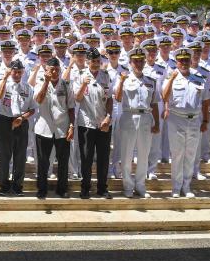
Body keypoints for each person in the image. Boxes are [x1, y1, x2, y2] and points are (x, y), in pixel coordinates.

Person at [161, 48, 210, 198]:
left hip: (195, 119)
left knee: (190, 154)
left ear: (191, 61)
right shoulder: (171, 77)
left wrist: (206, 120)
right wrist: (171, 79)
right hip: (177, 118)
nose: (184, 63)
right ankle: (176, 187)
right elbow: (164, 96)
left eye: (186, 60)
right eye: (181, 60)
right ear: (176, 62)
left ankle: (187, 186)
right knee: (177, 154)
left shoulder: (199, 78)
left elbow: (206, 100)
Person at [115, 47, 160, 198]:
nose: (139, 64)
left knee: (143, 154)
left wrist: (157, 123)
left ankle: (140, 185)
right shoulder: (124, 79)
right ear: (130, 62)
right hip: (129, 116)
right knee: (127, 155)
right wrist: (121, 82)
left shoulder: (151, 81)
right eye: (136, 61)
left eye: (141, 61)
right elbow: (118, 98)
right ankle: (128, 186)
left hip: (146, 118)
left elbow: (154, 104)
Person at [74, 47, 113, 199]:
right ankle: (85, 188)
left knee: (103, 158)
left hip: (103, 122)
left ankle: (102, 188)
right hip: (86, 123)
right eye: (93, 61)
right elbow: (77, 98)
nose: (96, 64)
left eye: (98, 61)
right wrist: (84, 84)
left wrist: (109, 117)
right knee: (86, 158)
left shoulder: (105, 76)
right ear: (87, 61)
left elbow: (109, 98)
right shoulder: (80, 75)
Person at [33, 57, 75, 199]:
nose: (55, 72)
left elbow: (71, 107)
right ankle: (42, 189)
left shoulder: (66, 85)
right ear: (46, 70)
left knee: (63, 162)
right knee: (43, 162)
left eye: (57, 69)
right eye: (52, 69)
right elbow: (39, 100)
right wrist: (46, 81)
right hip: (44, 128)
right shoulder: (40, 83)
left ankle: (62, 189)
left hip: (62, 128)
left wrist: (71, 126)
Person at [0, 59, 36, 196]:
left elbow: (33, 109)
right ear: (10, 71)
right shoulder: (4, 84)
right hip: (5, 122)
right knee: (4, 156)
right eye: (14, 72)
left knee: (20, 157)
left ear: (23, 72)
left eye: (19, 72)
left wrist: (22, 118)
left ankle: (18, 186)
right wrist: (5, 78)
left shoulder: (28, 88)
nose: (17, 74)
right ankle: (4, 186)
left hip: (21, 122)